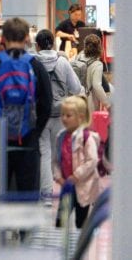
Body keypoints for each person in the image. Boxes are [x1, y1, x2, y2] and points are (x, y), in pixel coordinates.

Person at [0, 17, 53, 197]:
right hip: (28, 140)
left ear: (3, 37)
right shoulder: (35, 65)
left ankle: (1, 225)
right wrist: (36, 132)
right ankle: (25, 226)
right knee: (27, 196)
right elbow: (47, 103)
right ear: (27, 37)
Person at [34, 28, 84, 201]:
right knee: (61, 154)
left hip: (40, 115)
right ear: (54, 44)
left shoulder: (33, 62)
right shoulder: (63, 62)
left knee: (44, 153)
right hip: (61, 116)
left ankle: (46, 194)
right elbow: (76, 88)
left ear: (37, 45)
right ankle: (65, 192)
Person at [53, 96, 104, 229]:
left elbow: (92, 160)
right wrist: (58, 176)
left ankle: (78, 247)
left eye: (68, 115)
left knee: (81, 222)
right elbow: (56, 159)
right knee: (60, 221)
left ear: (80, 117)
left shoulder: (87, 138)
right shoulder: (61, 136)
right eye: (62, 115)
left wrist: (77, 175)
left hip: (84, 187)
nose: (64, 118)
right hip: (67, 187)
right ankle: (61, 247)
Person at [83, 34, 111, 112]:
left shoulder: (78, 57)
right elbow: (96, 86)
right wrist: (108, 105)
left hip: (77, 101)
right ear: (99, 47)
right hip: (89, 101)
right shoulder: (97, 64)